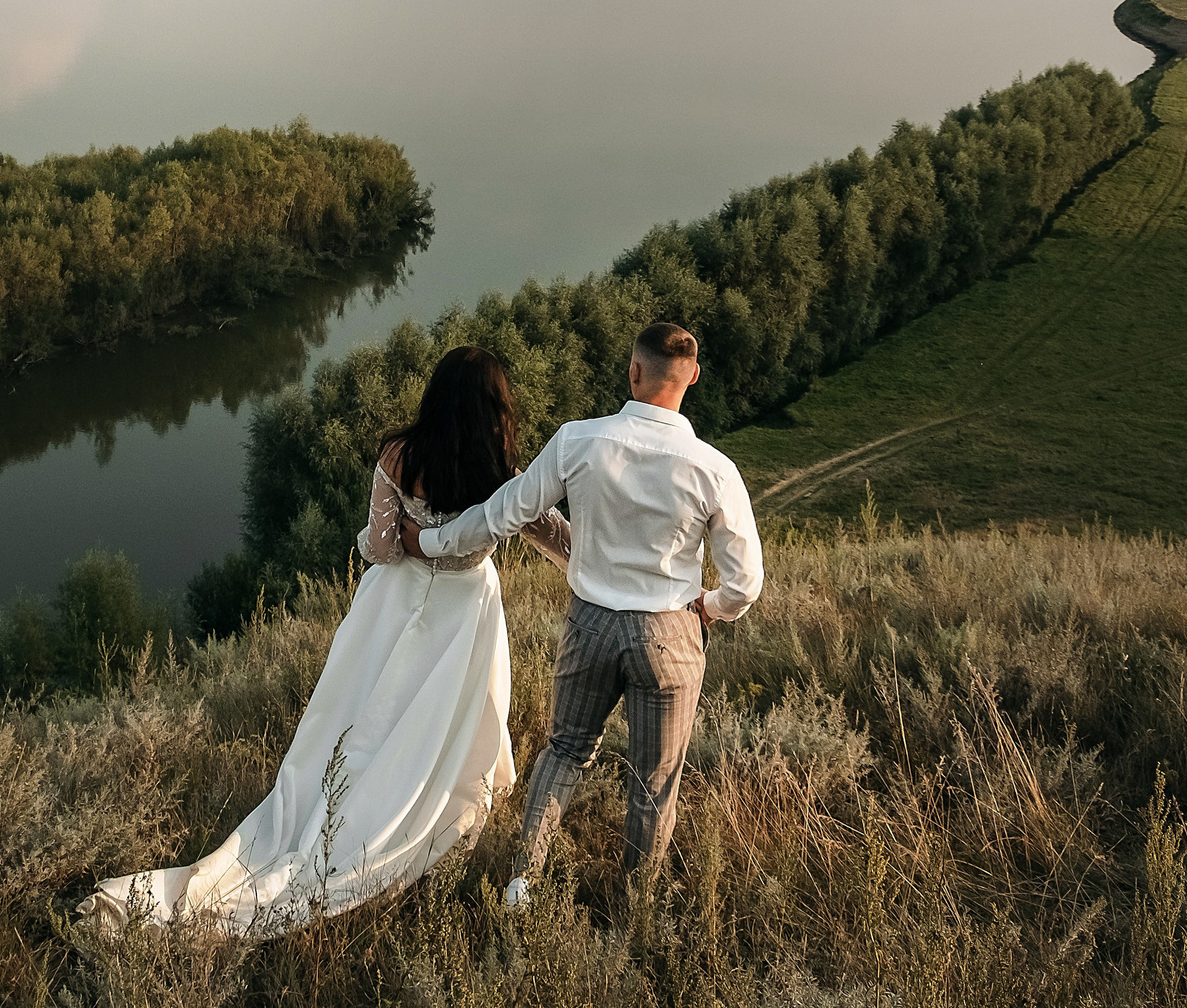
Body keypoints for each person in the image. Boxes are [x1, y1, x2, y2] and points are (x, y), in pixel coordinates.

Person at [80, 345, 571, 936]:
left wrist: (399, 538)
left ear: (435, 396)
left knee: (356, 719)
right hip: (463, 615)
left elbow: (382, 547)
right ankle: (420, 803)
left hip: (390, 607)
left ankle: (328, 810)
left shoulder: (399, 454)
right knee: (439, 726)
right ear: (497, 409)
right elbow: (562, 545)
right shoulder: (506, 477)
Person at [400, 320, 761, 904]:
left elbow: (502, 513)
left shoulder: (578, 440)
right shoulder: (715, 469)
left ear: (633, 371)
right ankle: (635, 901)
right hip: (669, 632)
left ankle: (523, 879)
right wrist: (710, 607)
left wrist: (433, 544)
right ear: (692, 377)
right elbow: (746, 584)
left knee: (565, 750)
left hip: (590, 623)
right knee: (654, 779)